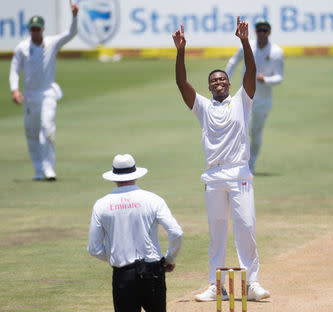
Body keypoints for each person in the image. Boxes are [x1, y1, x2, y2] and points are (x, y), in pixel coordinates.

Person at [172, 17, 270, 302]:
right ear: (210, 86)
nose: (218, 83)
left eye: (222, 79)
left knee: (246, 228)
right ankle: (218, 286)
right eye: (214, 80)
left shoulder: (242, 101)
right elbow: (181, 82)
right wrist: (181, 51)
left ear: (229, 83)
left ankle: (251, 284)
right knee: (216, 234)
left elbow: (251, 69)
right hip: (213, 177)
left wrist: (244, 41)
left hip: (239, 173)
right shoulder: (202, 107)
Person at [88, 153, 183, 312]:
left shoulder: (101, 205)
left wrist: (115, 257)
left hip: (123, 274)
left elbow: (94, 248)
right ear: (136, 175)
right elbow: (176, 232)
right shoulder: (153, 199)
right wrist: (169, 258)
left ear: (114, 177)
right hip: (153, 271)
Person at [9, 3, 79, 181]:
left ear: (43, 29)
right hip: (30, 97)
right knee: (31, 133)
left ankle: (49, 169)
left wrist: (75, 17)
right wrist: (15, 89)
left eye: (37, 29)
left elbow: (71, 34)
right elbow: (15, 69)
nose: (35, 32)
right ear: (29, 30)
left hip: (47, 93)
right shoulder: (22, 48)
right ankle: (38, 170)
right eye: (32, 29)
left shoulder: (52, 43)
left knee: (47, 128)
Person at [225, 19, 284, 174]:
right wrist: (226, 80)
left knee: (255, 131)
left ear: (269, 32)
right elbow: (233, 62)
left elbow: (279, 77)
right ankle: (238, 163)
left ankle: (251, 164)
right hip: (244, 95)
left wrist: (266, 80)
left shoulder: (276, 52)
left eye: (265, 30)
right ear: (256, 32)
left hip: (263, 100)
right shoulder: (248, 45)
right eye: (259, 30)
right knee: (240, 129)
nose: (262, 33)